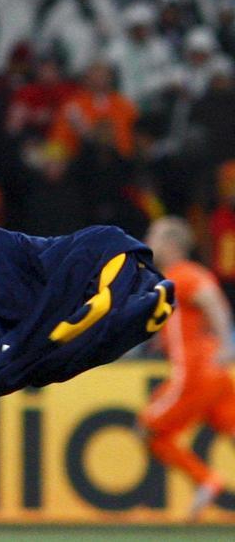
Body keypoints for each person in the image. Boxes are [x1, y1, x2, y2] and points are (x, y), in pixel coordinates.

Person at [139, 216, 235, 519]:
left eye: (154, 236)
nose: (148, 242)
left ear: (171, 243)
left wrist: (228, 344)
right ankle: (206, 481)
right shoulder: (180, 276)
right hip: (213, 373)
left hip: (195, 373)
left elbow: (213, 302)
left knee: (146, 429)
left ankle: (206, 480)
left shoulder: (184, 274)